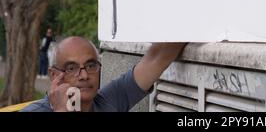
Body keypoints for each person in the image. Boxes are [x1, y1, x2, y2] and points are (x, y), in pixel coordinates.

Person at [22, 37, 186, 112]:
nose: (84, 75)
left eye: (91, 65)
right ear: (53, 75)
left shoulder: (109, 101)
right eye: (71, 68)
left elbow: (158, 56)